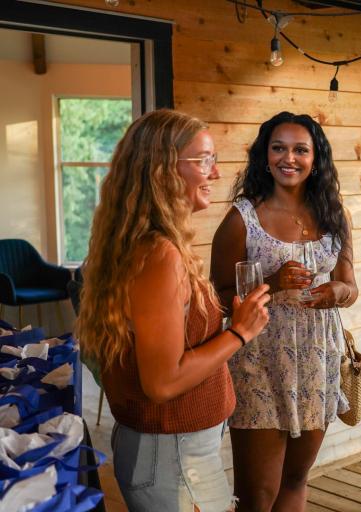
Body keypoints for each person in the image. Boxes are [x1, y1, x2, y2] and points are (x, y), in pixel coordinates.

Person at [76, 109, 271, 512]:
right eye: (204, 160)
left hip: (174, 454)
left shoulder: (146, 244)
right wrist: (239, 332)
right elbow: (162, 383)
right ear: (161, 169)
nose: (216, 173)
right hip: (174, 461)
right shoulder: (160, 255)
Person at [210, 111, 358, 511]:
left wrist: (336, 291)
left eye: (300, 149)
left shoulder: (334, 215)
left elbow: (350, 285)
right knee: (258, 494)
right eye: (278, 148)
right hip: (259, 361)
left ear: (316, 158)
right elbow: (218, 298)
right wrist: (271, 284)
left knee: (296, 478)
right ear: (264, 155)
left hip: (317, 359)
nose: (288, 158)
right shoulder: (243, 219)